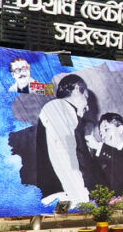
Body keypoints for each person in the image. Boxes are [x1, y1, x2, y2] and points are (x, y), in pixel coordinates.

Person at [34, 74, 93, 205]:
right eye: (86, 97)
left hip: (66, 194)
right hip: (65, 195)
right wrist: (80, 197)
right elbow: (64, 155)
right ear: (76, 89)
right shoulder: (58, 107)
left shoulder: (64, 111)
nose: (87, 106)